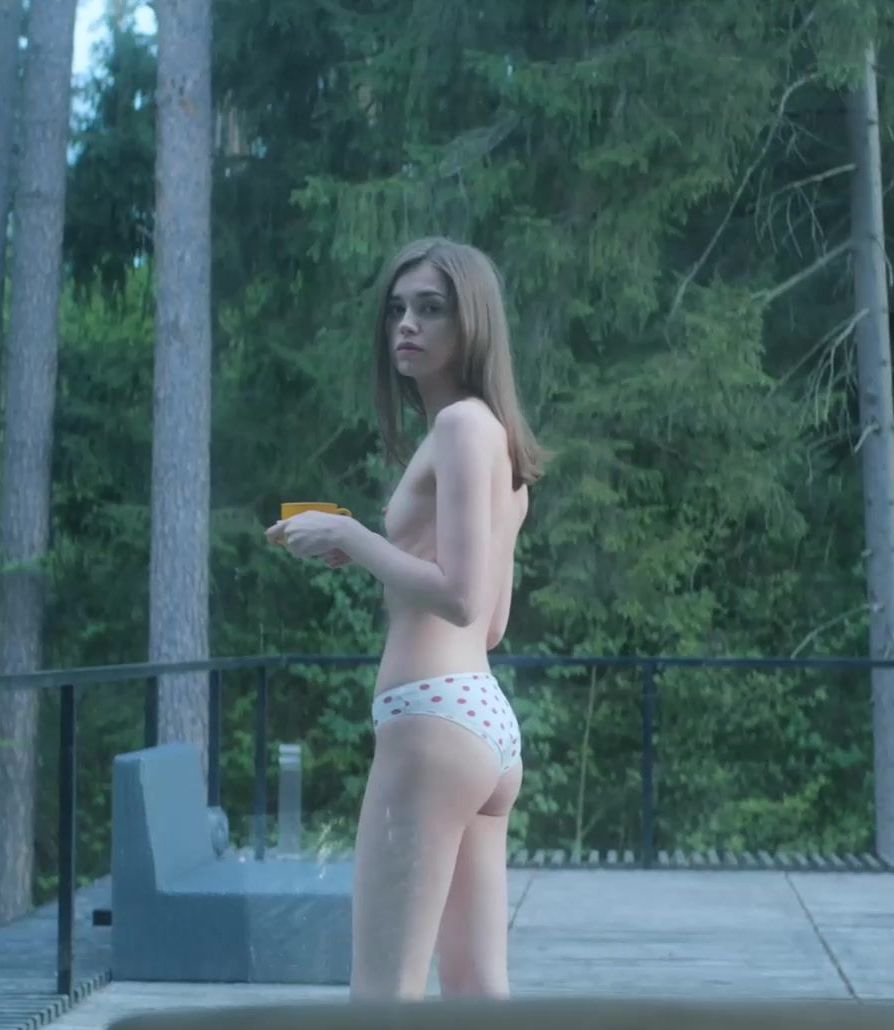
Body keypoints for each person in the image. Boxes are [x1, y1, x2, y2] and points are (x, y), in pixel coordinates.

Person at [266, 237, 548, 1000]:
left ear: (473, 322)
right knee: (477, 992)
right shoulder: (499, 444)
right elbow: (491, 624)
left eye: (431, 309)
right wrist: (372, 551)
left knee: (382, 996)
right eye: (396, 309)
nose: (406, 325)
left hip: (432, 723)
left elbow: (460, 598)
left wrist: (352, 536)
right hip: (483, 725)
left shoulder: (459, 428)